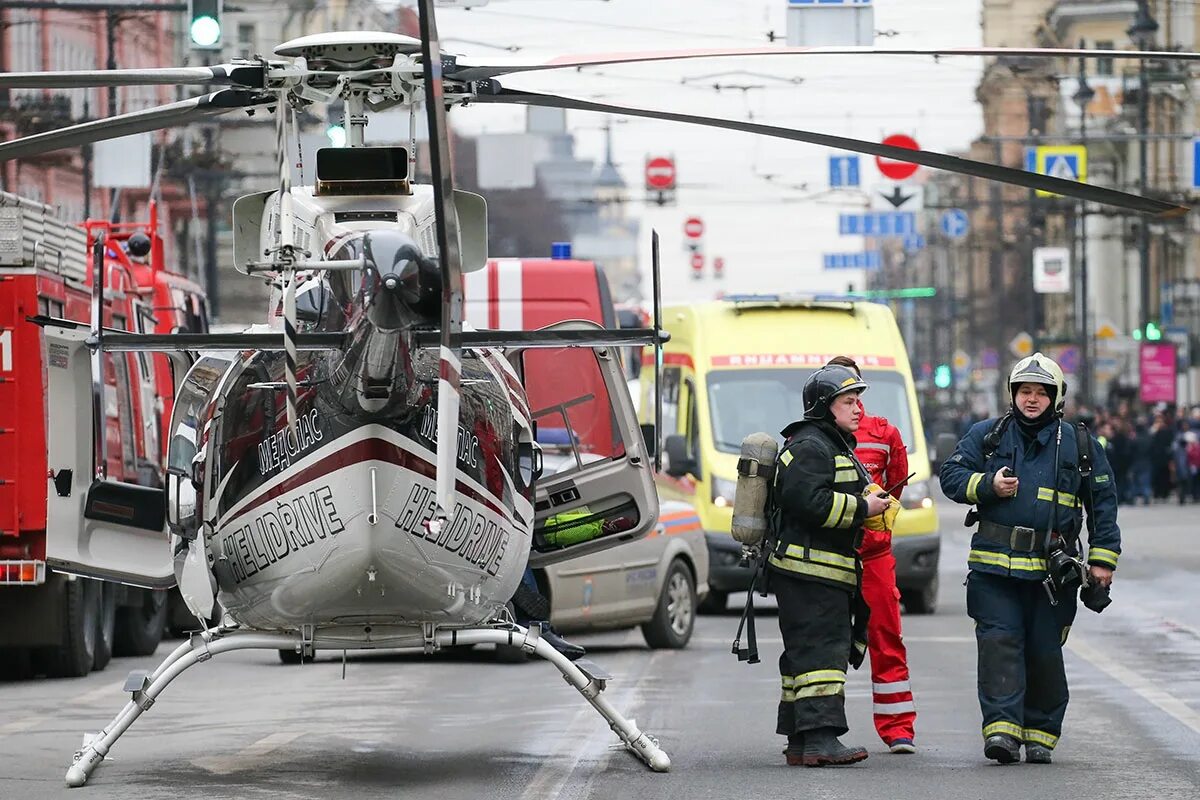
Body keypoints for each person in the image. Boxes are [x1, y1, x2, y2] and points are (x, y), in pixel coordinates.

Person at [939, 353, 1120, 765]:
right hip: (993, 571)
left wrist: (1102, 562)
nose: (1032, 399)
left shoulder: (1080, 443)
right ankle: (1002, 731)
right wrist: (986, 485)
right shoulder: (988, 435)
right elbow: (951, 476)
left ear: (1055, 397)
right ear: (1013, 394)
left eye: (1041, 392)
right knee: (999, 645)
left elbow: (1103, 505)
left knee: (1044, 652)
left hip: (1050, 577)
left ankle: (1040, 733)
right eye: (1025, 391)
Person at [770, 364, 893, 767]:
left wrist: (871, 502)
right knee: (822, 656)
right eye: (848, 401)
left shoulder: (832, 443)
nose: (858, 408)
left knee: (804, 658)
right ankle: (821, 741)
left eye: (858, 400)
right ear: (825, 406)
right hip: (811, 573)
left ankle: (800, 741)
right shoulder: (811, 446)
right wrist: (863, 507)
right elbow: (808, 502)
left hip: (818, 572)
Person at [825, 356, 917, 755]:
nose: (853, 402)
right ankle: (822, 727)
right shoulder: (812, 438)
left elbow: (895, 487)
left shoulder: (885, 433)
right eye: (843, 395)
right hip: (827, 555)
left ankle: (898, 729)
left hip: (874, 558)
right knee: (824, 643)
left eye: (855, 392)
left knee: (886, 636)